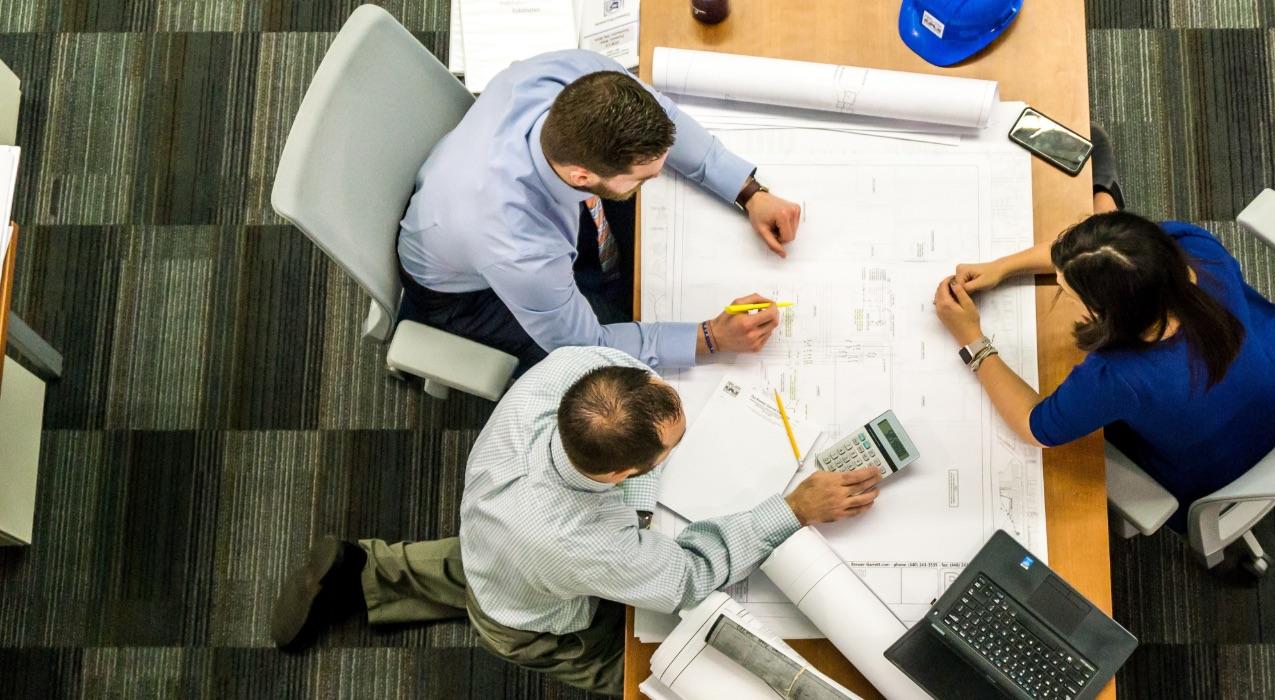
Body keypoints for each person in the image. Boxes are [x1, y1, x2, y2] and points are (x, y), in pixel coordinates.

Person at [268, 346, 883, 695]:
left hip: (497, 532)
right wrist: (792, 508)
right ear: (620, 475)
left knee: (490, 561)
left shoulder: (571, 372)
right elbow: (688, 578)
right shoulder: (579, 542)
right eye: (670, 449)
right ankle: (380, 581)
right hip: (534, 616)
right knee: (647, 666)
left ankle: (366, 570)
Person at [929, 130, 1275, 531]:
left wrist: (971, 340)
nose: (1062, 291)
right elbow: (1101, 253)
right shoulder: (1191, 247)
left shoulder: (1118, 377)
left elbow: (1037, 428)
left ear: (1110, 313)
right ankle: (1104, 199)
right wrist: (1003, 267)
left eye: (1068, 291)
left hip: (1229, 470)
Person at [397, 49, 805, 370]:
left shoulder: (580, 76)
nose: (657, 179)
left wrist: (748, 191)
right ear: (581, 176)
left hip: (469, 193)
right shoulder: (519, 247)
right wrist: (710, 337)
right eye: (643, 177)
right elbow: (586, 345)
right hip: (463, 293)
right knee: (613, 362)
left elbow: (665, 117)